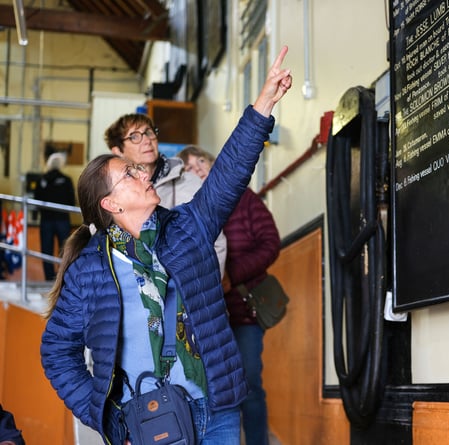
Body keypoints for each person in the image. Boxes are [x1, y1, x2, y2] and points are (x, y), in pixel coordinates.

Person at [40, 46, 292, 445]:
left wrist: (263, 104)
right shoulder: (90, 269)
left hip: (218, 411)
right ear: (111, 204)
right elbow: (56, 351)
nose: (143, 173)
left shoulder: (188, 227)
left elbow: (228, 175)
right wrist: (104, 416)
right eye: (129, 173)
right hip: (147, 420)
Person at [177, 145, 280, 445]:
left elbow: (270, 243)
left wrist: (231, 276)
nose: (198, 169)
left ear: (213, 164)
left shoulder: (244, 199)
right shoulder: (187, 209)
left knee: (249, 382)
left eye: (201, 161)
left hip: (243, 311)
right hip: (203, 316)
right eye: (189, 167)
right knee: (210, 388)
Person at [103, 95, 228, 276]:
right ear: (117, 150)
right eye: (135, 137)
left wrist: (203, 290)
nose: (146, 140)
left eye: (148, 132)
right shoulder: (112, 194)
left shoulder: (189, 181)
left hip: (189, 289)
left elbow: (216, 240)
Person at [33, 152, 76, 280]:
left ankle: (49, 278)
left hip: (46, 220)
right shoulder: (67, 180)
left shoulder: (41, 180)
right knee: (65, 250)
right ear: (61, 165)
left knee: (46, 250)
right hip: (62, 220)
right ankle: (62, 277)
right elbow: (71, 201)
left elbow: (36, 201)